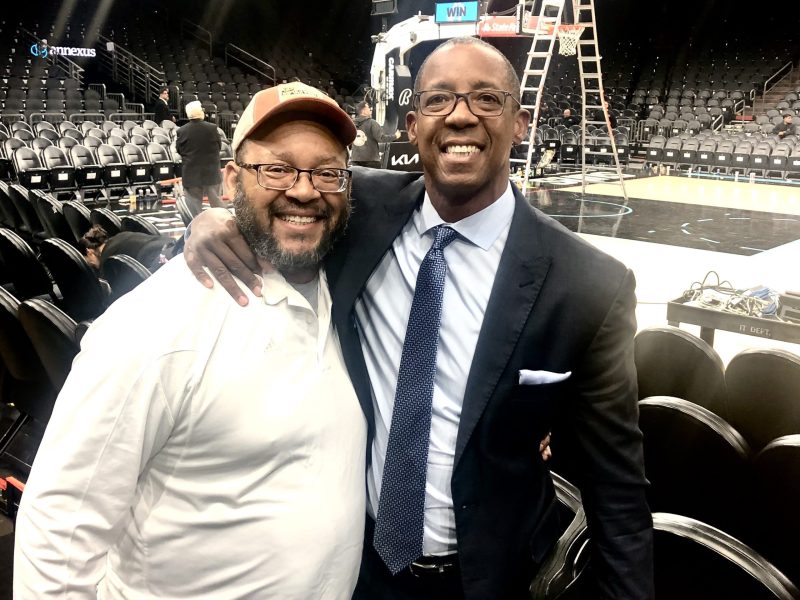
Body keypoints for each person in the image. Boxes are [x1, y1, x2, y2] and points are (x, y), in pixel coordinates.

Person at [184, 37, 653, 600]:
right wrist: (213, 220)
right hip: (350, 558)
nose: (460, 115)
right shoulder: (360, 209)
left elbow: (616, 487)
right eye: (439, 100)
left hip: (489, 577)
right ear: (411, 124)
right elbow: (280, 196)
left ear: (519, 122)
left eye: (486, 99)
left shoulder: (590, 283)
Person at [14, 82, 368, 599]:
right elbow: (58, 533)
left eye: (326, 171)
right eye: (277, 168)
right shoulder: (155, 324)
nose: (304, 190)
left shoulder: (348, 289)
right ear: (231, 180)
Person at [176, 100, 225, 215]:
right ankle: (224, 227)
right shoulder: (212, 128)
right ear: (200, 112)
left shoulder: (181, 131)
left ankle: (195, 229)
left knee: (194, 208)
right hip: (211, 171)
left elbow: (179, 150)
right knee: (217, 203)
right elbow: (219, 146)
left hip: (191, 172)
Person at [79, 224, 178, 272]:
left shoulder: (107, 259)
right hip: (173, 246)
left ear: (89, 252)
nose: (92, 266)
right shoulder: (119, 237)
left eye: (89, 262)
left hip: (160, 258)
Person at [351, 101, 401, 168]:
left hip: (355, 160)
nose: (370, 109)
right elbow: (381, 138)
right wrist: (395, 136)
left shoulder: (351, 123)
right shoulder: (372, 123)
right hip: (371, 161)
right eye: (368, 107)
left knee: (357, 178)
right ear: (363, 110)